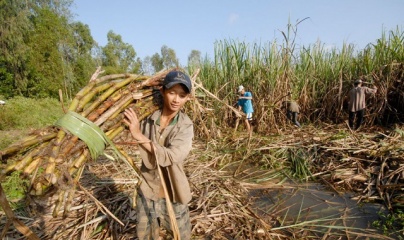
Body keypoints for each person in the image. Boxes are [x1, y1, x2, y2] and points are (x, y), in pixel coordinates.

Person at [124, 70, 193, 239]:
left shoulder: (185, 126)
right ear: (162, 91)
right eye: (172, 93)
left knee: (180, 236)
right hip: (148, 190)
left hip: (174, 192)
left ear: (187, 98)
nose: (176, 100)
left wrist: (139, 135)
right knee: (145, 236)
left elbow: (171, 157)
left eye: (182, 95)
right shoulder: (147, 117)